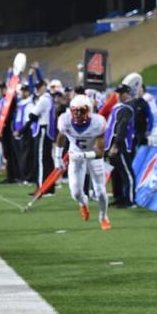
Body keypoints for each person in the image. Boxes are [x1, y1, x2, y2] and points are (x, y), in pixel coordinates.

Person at [55, 94, 111, 229]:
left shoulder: (98, 123)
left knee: (100, 191)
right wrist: (58, 157)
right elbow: (61, 137)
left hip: (92, 156)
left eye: (82, 111)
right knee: (75, 193)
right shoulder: (65, 120)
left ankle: (103, 216)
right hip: (76, 155)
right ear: (71, 110)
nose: (79, 114)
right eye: (76, 111)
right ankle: (83, 203)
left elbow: (100, 153)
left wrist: (83, 155)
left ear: (90, 110)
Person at [106, 84, 137, 207]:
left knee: (124, 173)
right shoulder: (120, 108)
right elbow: (116, 127)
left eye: (121, 92)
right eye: (118, 92)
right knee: (119, 173)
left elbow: (121, 128)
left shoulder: (125, 108)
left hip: (118, 144)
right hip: (115, 145)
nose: (118, 95)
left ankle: (128, 199)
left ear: (126, 94)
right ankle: (120, 197)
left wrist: (115, 145)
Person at [22, 78, 55, 194]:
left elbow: (33, 115)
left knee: (41, 161)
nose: (37, 90)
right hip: (47, 131)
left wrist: (22, 130)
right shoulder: (48, 98)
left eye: (39, 87)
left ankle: (42, 188)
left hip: (43, 130)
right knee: (47, 160)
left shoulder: (44, 99)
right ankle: (50, 188)